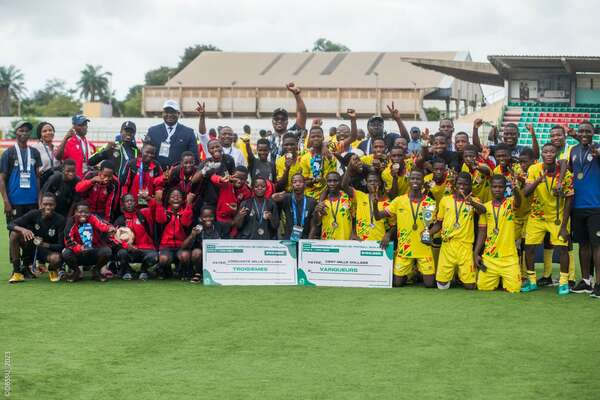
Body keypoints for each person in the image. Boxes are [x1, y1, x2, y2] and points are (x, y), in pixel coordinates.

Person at [521, 143, 574, 295]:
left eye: (552, 151)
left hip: (557, 217)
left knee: (563, 248)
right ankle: (531, 281)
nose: (549, 154)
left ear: (556, 153)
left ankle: (563, 282)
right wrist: (539, 180)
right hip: (537, 216)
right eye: (545, 152)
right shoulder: (533, 169)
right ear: (541, 155)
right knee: (529, 248)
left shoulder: (565, 174)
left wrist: (564, 226)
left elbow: (570, 200)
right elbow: (526, 193)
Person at [377, 169, 436, 288]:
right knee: (397, 283)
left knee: (429, 284)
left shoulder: (430, 202)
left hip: (423, 246)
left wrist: (430, 233)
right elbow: (378, 216)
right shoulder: (399, 200)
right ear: (408, 181)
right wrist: (374, 205)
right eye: (412, 178)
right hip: (405, 248)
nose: (415, 181)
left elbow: (434, 224)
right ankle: (411, 272)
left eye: (418, 179)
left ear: (422, 182)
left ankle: (415, 273)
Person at [432, 172, 486, 290]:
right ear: (455, 185)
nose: (462, 186)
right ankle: (453, 275)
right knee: (442, 286)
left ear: (470, 186)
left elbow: (483, 210)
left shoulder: (474, 200)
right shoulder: (445, 200)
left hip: (465, 246)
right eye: (459, 183)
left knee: (470, 286)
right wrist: (428, 233)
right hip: (447, 245)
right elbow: (439, 224)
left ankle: (461, 275)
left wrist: (471, 202)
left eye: (465, 184)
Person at [474, 175, 522, 293]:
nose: (497, 189)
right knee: (482, 287)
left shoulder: (510, 203)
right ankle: (499, 279)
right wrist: (475, 253)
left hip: (509, 258)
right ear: (490, 188)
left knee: (515, 289)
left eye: (500, 187)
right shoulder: (485, 207)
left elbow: (519, 202)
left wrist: (515, 187)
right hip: (490, 258)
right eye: (494, 186)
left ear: (505, 188)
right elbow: (482, 232)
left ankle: (503, 279)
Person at [568, 121, 600, 297]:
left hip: (596, 205)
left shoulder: (597, 148)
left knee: (598, 246)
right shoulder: (573, 150)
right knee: (583, 245)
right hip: (577, 205)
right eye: (581, 131)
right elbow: (573, 173)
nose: (584, 133)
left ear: (593, 133)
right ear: (578, 134)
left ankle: (599, 284)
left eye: (588, 131)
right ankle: (586, 281)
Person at [7, 193, 65, 283]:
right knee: (14, 234)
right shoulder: (34, 214)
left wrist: (44, 244)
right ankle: (17, 272)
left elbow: (61, 245)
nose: (48, 207)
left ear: (55, 205)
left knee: (56, 258)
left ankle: (52, 269)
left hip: (47, 251)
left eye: (51, 204)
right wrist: (23, 230)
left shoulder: (60, 220)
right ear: (41, 204)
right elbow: (10, 224)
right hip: (31, 247)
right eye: (45, 204)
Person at [0, 121, 42, 224]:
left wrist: (39, 200)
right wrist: (6, 201)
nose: (24, 133)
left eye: (27, 131)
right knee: (14, 234)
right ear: (16, 132)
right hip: (14, 201)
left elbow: (37, 178)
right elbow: (2, 179)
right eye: (21, 130)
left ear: (29, 134)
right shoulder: (8, 153)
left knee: (31, 235)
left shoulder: (34, 152)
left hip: (32, 201)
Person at [62, 202, 115, 282]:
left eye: (86, 212)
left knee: (107, 251)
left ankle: (96, 271)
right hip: (78, 253)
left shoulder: (93, 218)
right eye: (80, 212)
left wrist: (109, 228)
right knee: (66, 253)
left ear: (90, 212)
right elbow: (68, 240)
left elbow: (101, 225)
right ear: (75, 212)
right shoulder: (71, 221)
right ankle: (76, 272)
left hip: (93, 250)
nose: (83, 214)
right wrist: (80, 248)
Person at [113, 194, 158, 281]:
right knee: (122, 253)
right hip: (129, 250)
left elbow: (155, 208)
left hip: (145, 249)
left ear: (136, 203)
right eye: (127, 201)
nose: (129, 203)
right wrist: (127, 246)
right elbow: (114, 239)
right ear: (123, 204)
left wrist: (148, 199)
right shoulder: (120, 220)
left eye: (132, 201)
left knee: (154, 256)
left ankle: (144, 270)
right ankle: (127, 270)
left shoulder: (144, 214)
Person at [182, 206, 231, 283]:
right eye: (205, 217)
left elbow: (232, 228)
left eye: (210, 217)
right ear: (200, 218)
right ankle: (198, 273)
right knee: (196, 253)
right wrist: (192, 235)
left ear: (214, 217)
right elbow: (183, 247)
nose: (208, 219)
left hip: (218, 255)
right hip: (203, 257)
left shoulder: (219, 226)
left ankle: (221, 273)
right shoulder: (197, 228)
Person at [146, 100, 199, 169]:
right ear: (162, 113)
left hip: (179, 175)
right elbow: (146, 155)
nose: (170, 115)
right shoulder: (152, 131)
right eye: (167, 112)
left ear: (178, 113)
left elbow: (194, 157)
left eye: (173, 112)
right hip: (157, 174)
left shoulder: (189, 133)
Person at [155, 189, 195, 280]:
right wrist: (158, 202)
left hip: (181, 247)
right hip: (166, 247)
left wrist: (189, 204)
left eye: (179, 197)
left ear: (183, 200)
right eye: (173, 197)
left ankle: (183, 271)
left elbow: (186, 222)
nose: (176, 199)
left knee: (185, 256)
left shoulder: (185, 211)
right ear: (168, 200)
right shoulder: (165, 212)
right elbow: (159, 219)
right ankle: (166, 271)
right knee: (163, 259)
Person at [343, 171, 390, 241]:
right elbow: (344, 185)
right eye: (370, 181)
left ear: (380, 183)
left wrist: (388, 235)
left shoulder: (387, 202)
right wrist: (350, 167)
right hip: (361, 242)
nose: (372, 183)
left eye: (375, 181)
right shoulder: (359, 196)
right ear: (366, 183)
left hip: (380, 243)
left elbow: (393, 224)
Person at [266, 83, 307, 160]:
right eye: (276, 118)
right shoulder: (267, 140)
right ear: (272, 121)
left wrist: (296, 94)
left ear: (287, 122)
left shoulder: (293, 133)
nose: (279, 121)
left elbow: (302, 114)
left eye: (283, 119)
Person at [272, 174, 317, 241]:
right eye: (294, 182)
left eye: (300, 182)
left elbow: (314, 224)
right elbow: (272, 204)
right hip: (288, 238)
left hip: (306, 239)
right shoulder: (286, 198)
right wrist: (273, 198)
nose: (297, 184)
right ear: (291, 185)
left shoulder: (311, 201)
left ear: (305, 185)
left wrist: (308, 241)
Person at [313, 172, 354, 240]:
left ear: (340, 182)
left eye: (335, 181)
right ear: (326, 183)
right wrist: (316, 211)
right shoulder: (322, 202)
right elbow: (317, 223)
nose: (332, 183)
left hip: (346, 241)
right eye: (329, 181)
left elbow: (354, 217)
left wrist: (354, 233)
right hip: (328, 243)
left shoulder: (348, 197)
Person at [300, 126, 337, 199]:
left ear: (323, 137)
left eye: (318, 136)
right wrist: (314, 180)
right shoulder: (304, 158)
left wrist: (325, 147)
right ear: (309, 139)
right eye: (313, 136)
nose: (316, 138)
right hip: (310, 196)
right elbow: (304, 181)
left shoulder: (330, 154)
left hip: (329, 195)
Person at [31, 121, 61, 188]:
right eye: (44, 131)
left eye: (50, 130)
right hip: (42, 183)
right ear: (40, 135)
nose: (48, 132)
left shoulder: (57, 149)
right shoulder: (35, 148)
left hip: (56, 184)